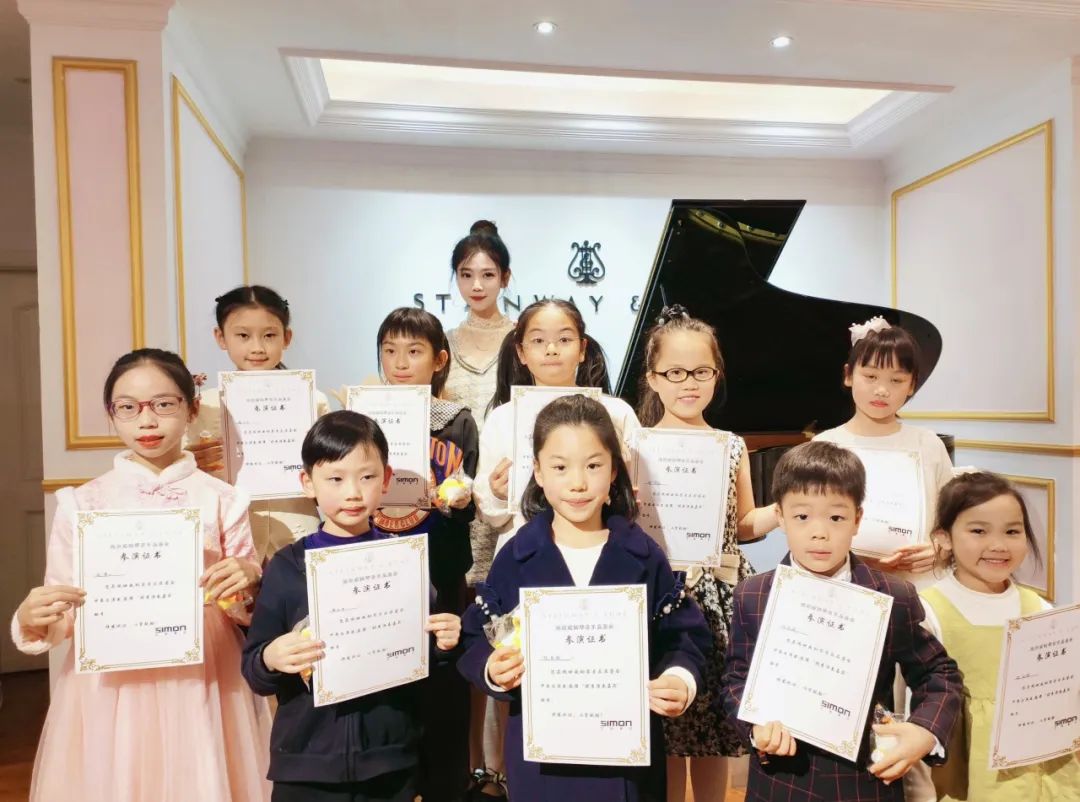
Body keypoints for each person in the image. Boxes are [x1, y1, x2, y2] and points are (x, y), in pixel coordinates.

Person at [13, 348, 270, 801]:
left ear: (192, 408)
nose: (146, 421)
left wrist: (248, 580)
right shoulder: (81, 503)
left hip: (204, 672)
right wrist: (34, 617)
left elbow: (245, 612)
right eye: (128, 407)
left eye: (164, 404)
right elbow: (64, 613)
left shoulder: (224, 499)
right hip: (112, 685)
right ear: (111, 414)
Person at [460, 394, 709, 801]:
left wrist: (678, 679)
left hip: (626, 766)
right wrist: (492, 667)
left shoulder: (643, 555)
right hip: (542, 766)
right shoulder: (517, 556)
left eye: (593, 465)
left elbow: (683, 637)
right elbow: (477, 634)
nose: (577, 483)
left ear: (614, 470)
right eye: (560, 467)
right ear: (538, 472)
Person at [722, 440, 963, 802]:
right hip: (780, 780)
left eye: (836, 518)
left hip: (863, 781)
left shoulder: (891, 597)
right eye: (802, 517)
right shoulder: (753, 595)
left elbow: (939, 673)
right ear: (781, 517)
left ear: (857, 520)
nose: (819, 532)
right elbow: (735, 679)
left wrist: (924, 731)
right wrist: (755, 728)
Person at [241, 410, 462, 802]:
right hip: (306, 762)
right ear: (307, 482)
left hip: (390, 759)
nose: (353, 493)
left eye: (367, 477)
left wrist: (444, 644)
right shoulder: (288, 567)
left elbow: (421, 658)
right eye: (336, 479)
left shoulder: (405, 561)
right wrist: (270, 658)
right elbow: (255, 671)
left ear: (387, 479)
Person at [634, 305, 778, 802]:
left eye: (702, 371)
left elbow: (743, 524)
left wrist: (784, 509)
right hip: (660, 596)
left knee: (715, 731)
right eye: (675, 372)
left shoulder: (730, 446)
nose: (689, 383)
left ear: (717, 375)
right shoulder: (636, 445)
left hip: (719, 598)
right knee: (669, 728)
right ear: (653, 379)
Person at [920, 471, 1080, 800]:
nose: (998, 545)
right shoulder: (930, 610)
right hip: (973, 775)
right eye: (978, 531)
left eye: (1012, 531)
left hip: (1044, 767)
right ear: (944, 537)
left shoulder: (1037, 607)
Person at [373, 307, 478, 802]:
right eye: (390, 350)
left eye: (414, 351)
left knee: (443, 688)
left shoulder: (458, 422)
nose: (400, 362)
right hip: (378, 568)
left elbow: (471, 498)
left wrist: (459, 495)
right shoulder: (362, 417)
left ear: (439, 360)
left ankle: (447, 787)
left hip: (441, 567)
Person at [473, 299, 640, 556]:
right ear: (521, 352)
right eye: (538, 340)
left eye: (564, 339)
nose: (551, 350)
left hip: (602, 550)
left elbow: (639, 498)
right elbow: (488, 512)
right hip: (523, 555)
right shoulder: (503, 418)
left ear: (582, 349)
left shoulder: (617, 413)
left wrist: (625, 482)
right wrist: (497, 493)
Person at [442, 220, 516, 800]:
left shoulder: (525, 339)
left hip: (507, 502)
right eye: (466, 275)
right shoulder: (442, 342)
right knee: (467, 637)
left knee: (507, 635)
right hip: (454, 505)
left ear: (505, 278)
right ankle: (470, 767)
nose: (476, 285)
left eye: (487, 274)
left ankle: (502, 767)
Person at [186, 285, 331, 562]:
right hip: (231, 538)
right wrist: (193, 466)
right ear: (220, 337)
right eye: (243, 335)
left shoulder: (313, 401)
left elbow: (332, 471)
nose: (257, 348)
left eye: (269, 335)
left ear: (286, 337)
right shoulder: (203, 406)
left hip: (297, 528)